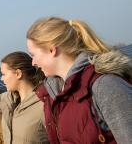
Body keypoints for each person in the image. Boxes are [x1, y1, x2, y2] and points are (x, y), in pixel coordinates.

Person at [26, 16, 132, 144]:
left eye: (33, 55)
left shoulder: (105, 86)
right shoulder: (55, 94)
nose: (33, 63)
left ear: (52, 50)